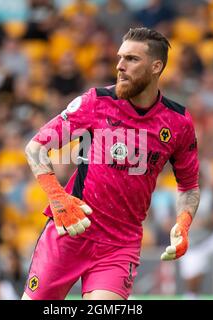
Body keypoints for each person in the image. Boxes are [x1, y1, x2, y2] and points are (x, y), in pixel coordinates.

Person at [22, 27, 200, 300]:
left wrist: (184, 223)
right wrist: (57, 197)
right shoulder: (96, 102)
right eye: (120, 57)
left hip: (120, 244)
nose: (120, 66)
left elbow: (188, 186)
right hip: (71, 229)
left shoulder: (178, 122)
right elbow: (35, 147)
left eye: (131, 59)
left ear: (156, 66)